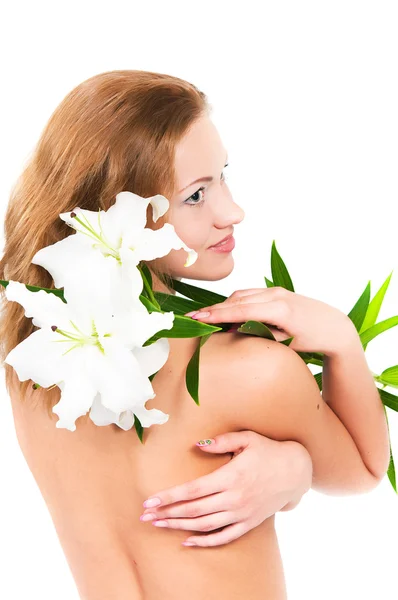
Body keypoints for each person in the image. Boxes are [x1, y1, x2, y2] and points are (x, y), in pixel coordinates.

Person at [0, 70, 390, 600]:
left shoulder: (27, 352)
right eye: (196, 196)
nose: (232, 212)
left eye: (223, 176)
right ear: (118, 213)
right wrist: (340, 340)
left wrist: (291, 475)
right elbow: (366, 471)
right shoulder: (252, 371)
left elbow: (150, 478)